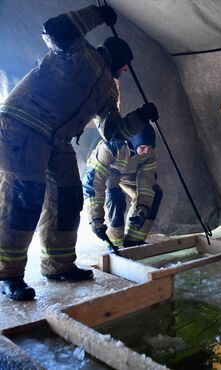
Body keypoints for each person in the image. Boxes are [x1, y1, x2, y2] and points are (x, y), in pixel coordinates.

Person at [0, 5, 160, 301]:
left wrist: (141, 116)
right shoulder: (78, 50)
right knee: (25, 198)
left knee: (69, 198)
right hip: (23, 127)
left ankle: (58, 264)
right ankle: (7, 274)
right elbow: (55, 27)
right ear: (121, 60)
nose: (125, 74)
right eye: (126, 68)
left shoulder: (108, 91)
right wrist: (99, 14)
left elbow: (112, 133)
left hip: (57, 139)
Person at [83, 123, 163, 250]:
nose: (146, 151)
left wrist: (142, 209)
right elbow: (94, 183)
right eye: (142, 147)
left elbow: (146, 180)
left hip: (128, 177)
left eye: (149, 147)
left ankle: (134, 241)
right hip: (109, 176)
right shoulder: (110, 146)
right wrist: (95, 218)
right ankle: (114, 243)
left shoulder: (149, 152)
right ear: (133, 141)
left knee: (155, 193)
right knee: (115, 198)